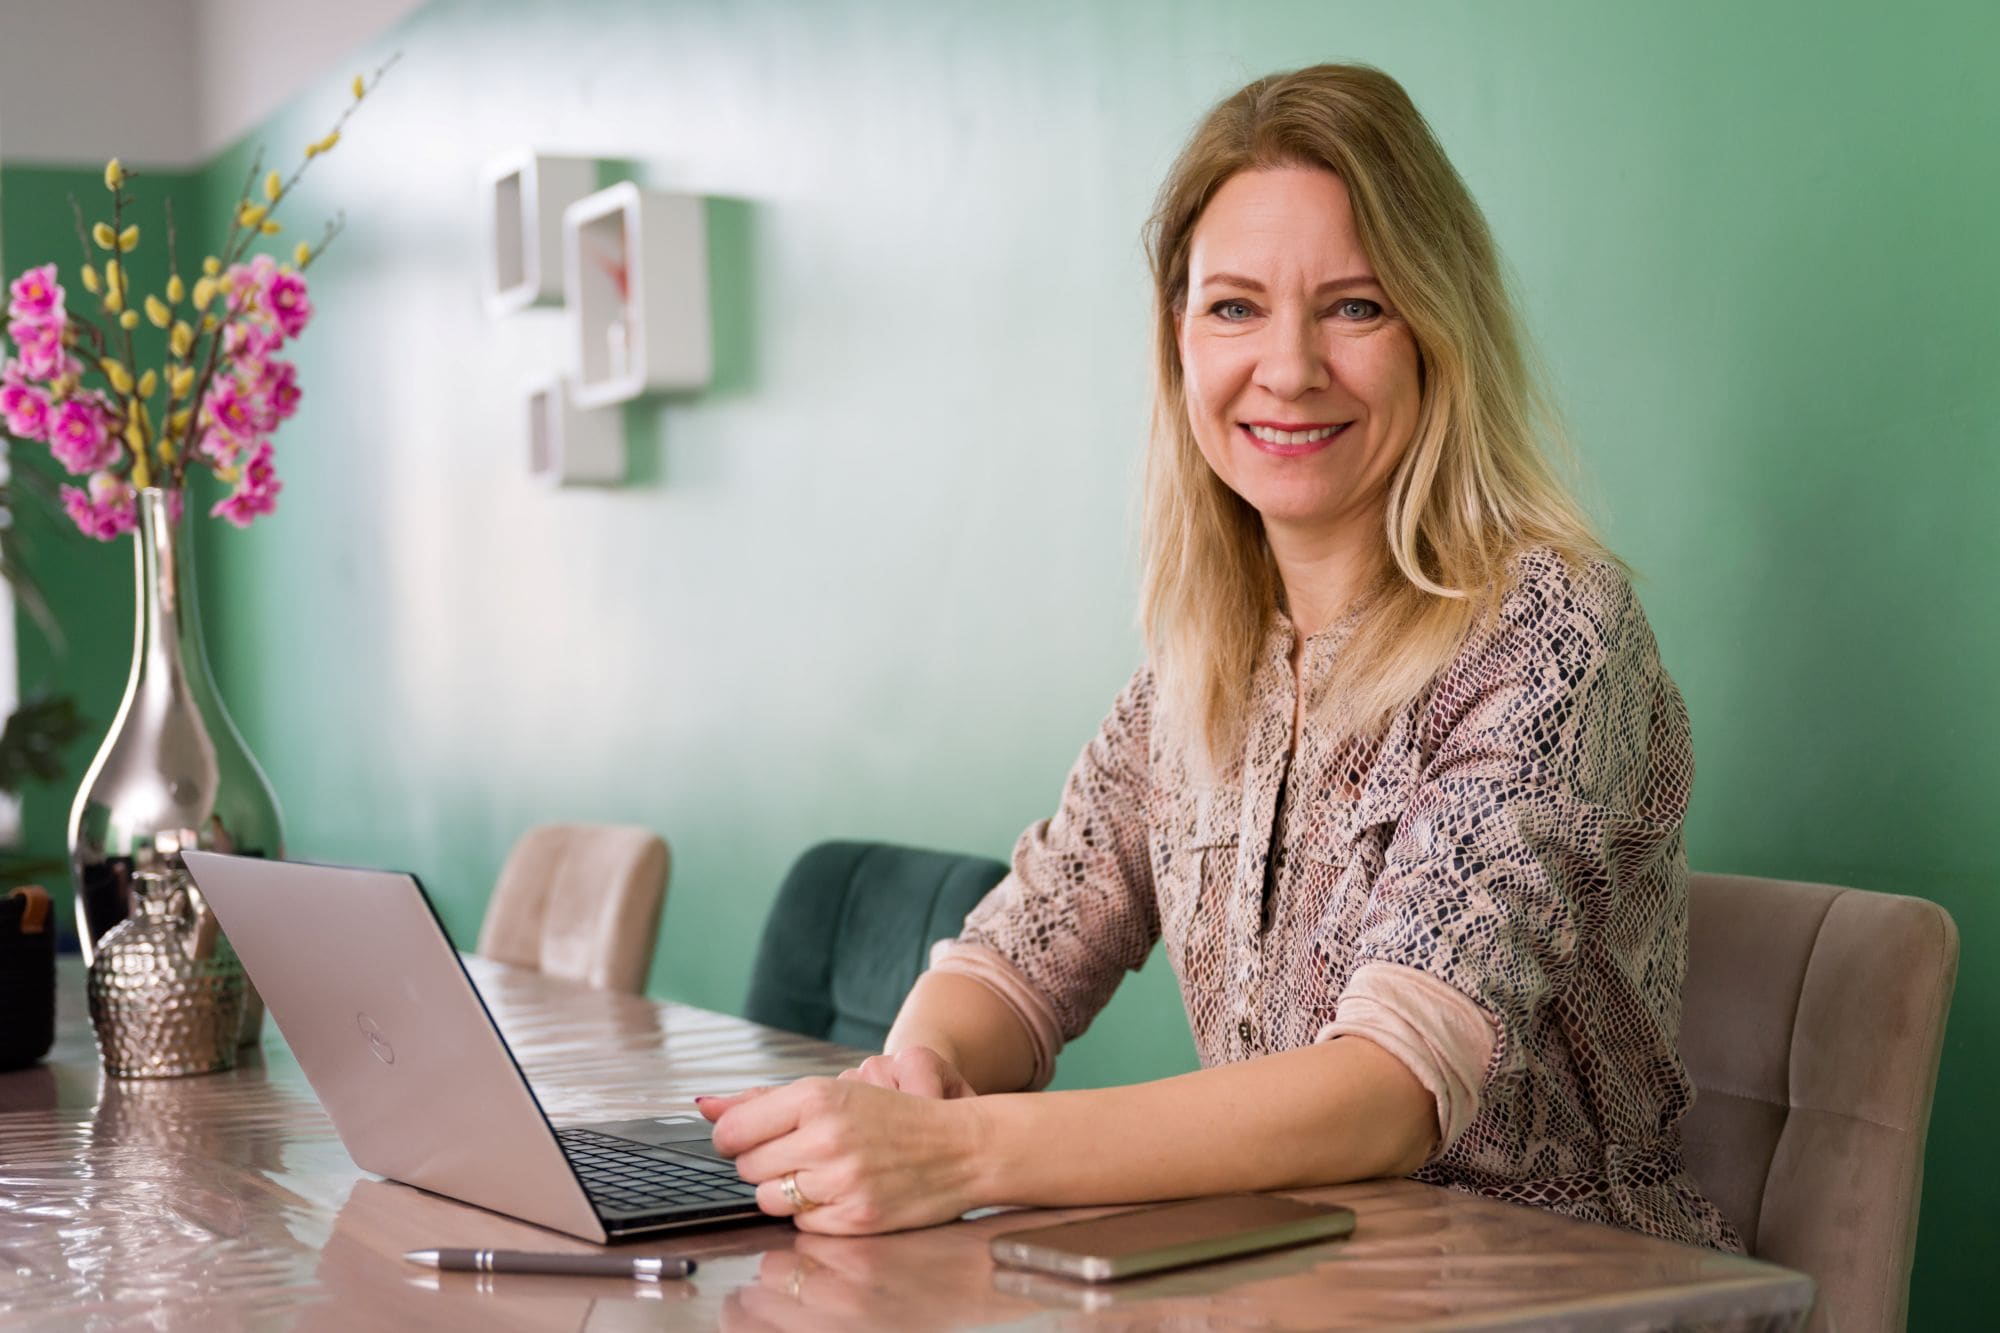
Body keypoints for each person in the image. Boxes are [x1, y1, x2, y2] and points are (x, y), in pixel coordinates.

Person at [698, 62, 1741, 1253]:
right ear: (1179, 344)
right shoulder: (1199, 668)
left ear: (1435, 333)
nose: (1287, 368)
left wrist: (961, 1153)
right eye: (1234, 307)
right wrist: (915, 1073)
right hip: (1280, 1279)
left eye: (1355, 305)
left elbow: (1388, 1088)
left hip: (1572, 1296)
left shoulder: (1550, 632)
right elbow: (1019, 952)